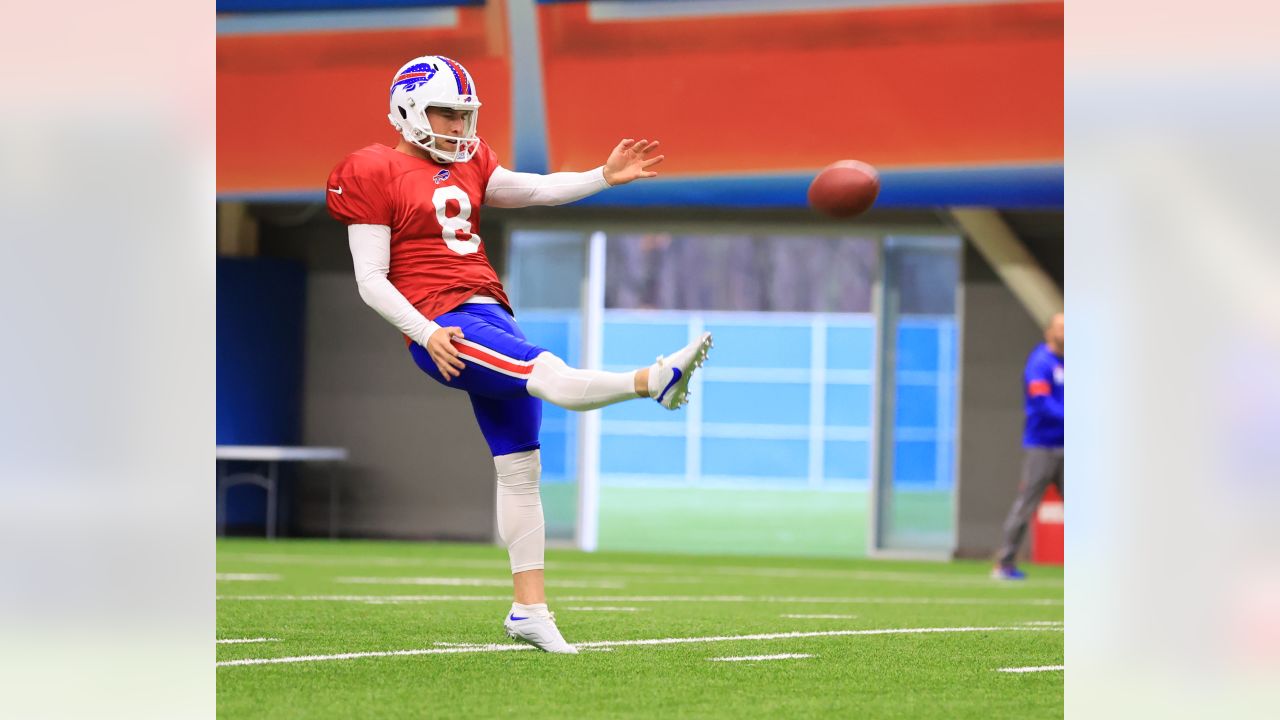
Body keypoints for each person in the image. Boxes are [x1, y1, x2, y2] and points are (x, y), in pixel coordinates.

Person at [325, 55, 713, 653]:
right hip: (447, 326)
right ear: (406, 110)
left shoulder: (472, 162)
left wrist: (601, 177)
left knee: (520, 468)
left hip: (488, 312)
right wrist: (426, 330)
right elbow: (371, 279)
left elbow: (534, 189)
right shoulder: (370, 169)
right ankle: (652, 379)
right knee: (548, 375)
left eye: (463, 115)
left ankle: (528, 610)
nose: (457, 127)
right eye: (444, 114)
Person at [992, 312, 1064, 580]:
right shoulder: (1040, 362)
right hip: (1042, 447)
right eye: (1061, 328)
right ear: (1049, 332)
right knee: (1026, 505)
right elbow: (1042, 403)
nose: (1066, 333)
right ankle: (1005, 563)